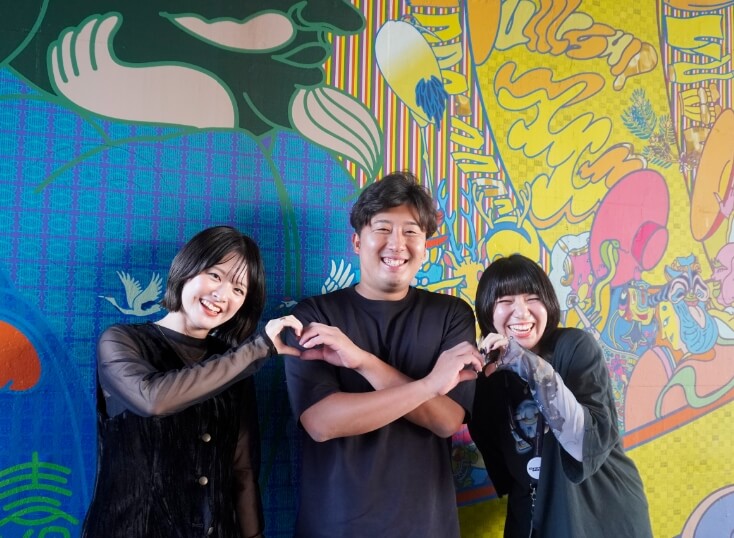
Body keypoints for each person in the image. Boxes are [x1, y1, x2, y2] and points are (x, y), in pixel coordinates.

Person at [283, 171, 483, 538]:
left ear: (425, 245)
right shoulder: (315, 316)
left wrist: (363, 362)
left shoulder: (452, 315)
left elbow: (446, 421)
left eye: (411, 232)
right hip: (335, 526)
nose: (397, 244)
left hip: (426, 526)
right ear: (357, 242)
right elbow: (322, 424)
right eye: (383, 229)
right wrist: (429, 386)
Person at [82, 226, 303, 538]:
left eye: (238, 290)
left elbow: (242, 470)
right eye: (215, 275)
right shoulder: (121, 340)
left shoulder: (237, 364)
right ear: (187, 268)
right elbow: (153, 400)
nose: (222, 295)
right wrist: (257, 348)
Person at [468, 254, 653, 537]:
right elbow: (511, 474)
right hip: (533, 513)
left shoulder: (574, 347)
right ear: (487, 311)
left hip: (601, 512)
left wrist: (526, 362)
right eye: (505, 301)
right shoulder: (487, 379)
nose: (522, 312)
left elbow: (583, 444)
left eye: (532, 298)